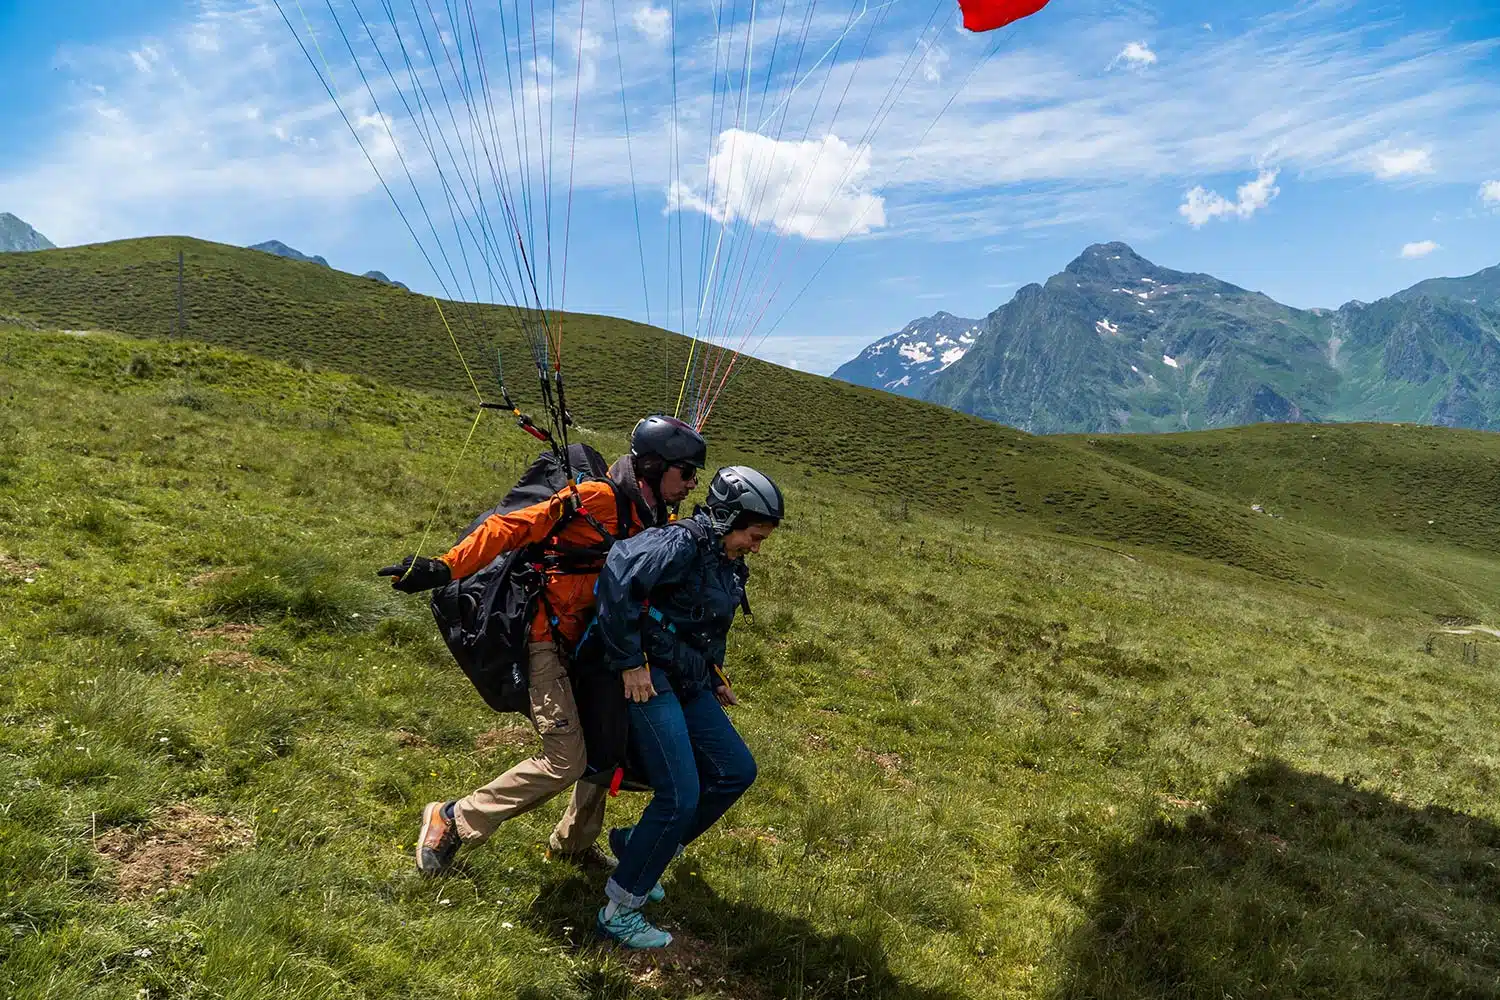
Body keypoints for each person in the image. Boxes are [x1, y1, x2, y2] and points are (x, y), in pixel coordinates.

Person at [376, 416, 708, 875]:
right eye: (687, 472)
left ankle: (572, 845)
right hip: (545, 641)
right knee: (566, 760)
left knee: (606, 743)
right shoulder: (595, 499)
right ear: (654, 466)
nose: (693, 484)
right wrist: (445, 567)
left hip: (595, 646)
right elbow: (514, 526)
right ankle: (454, 818)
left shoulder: (655, 517)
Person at [589, 465, 784, 948]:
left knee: (736, 770)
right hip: (649, 675)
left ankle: (639, 847)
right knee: (680, 794)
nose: (756, 548)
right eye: (754, 535)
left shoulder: (725, 560)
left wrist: (715, 675)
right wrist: (630, 662)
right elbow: (616, 579)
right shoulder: (679, 543)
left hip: (689, 676)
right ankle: (620, 908)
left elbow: (705, 622)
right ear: (728, 517)